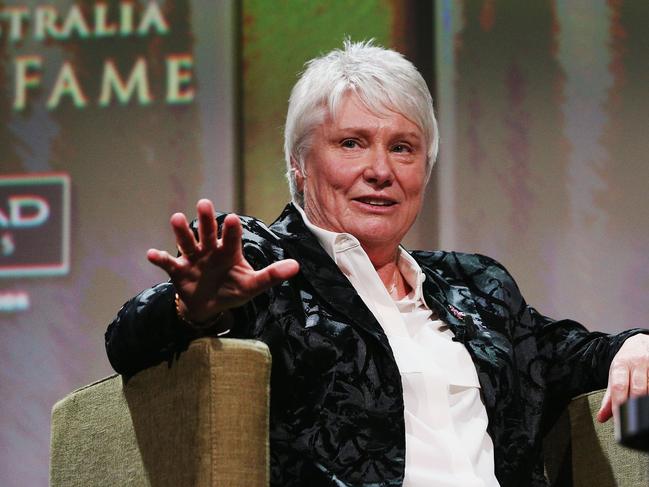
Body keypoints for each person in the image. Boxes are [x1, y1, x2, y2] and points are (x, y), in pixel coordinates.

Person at [105, 40, 649, 487]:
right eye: (351, 143)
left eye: (403, 148)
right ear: (299, 163)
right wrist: (191, 308)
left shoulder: (477, 286)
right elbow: (128, 340)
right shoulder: (260, 261)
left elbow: (575, 355)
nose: (380, 170)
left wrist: (637, 344)